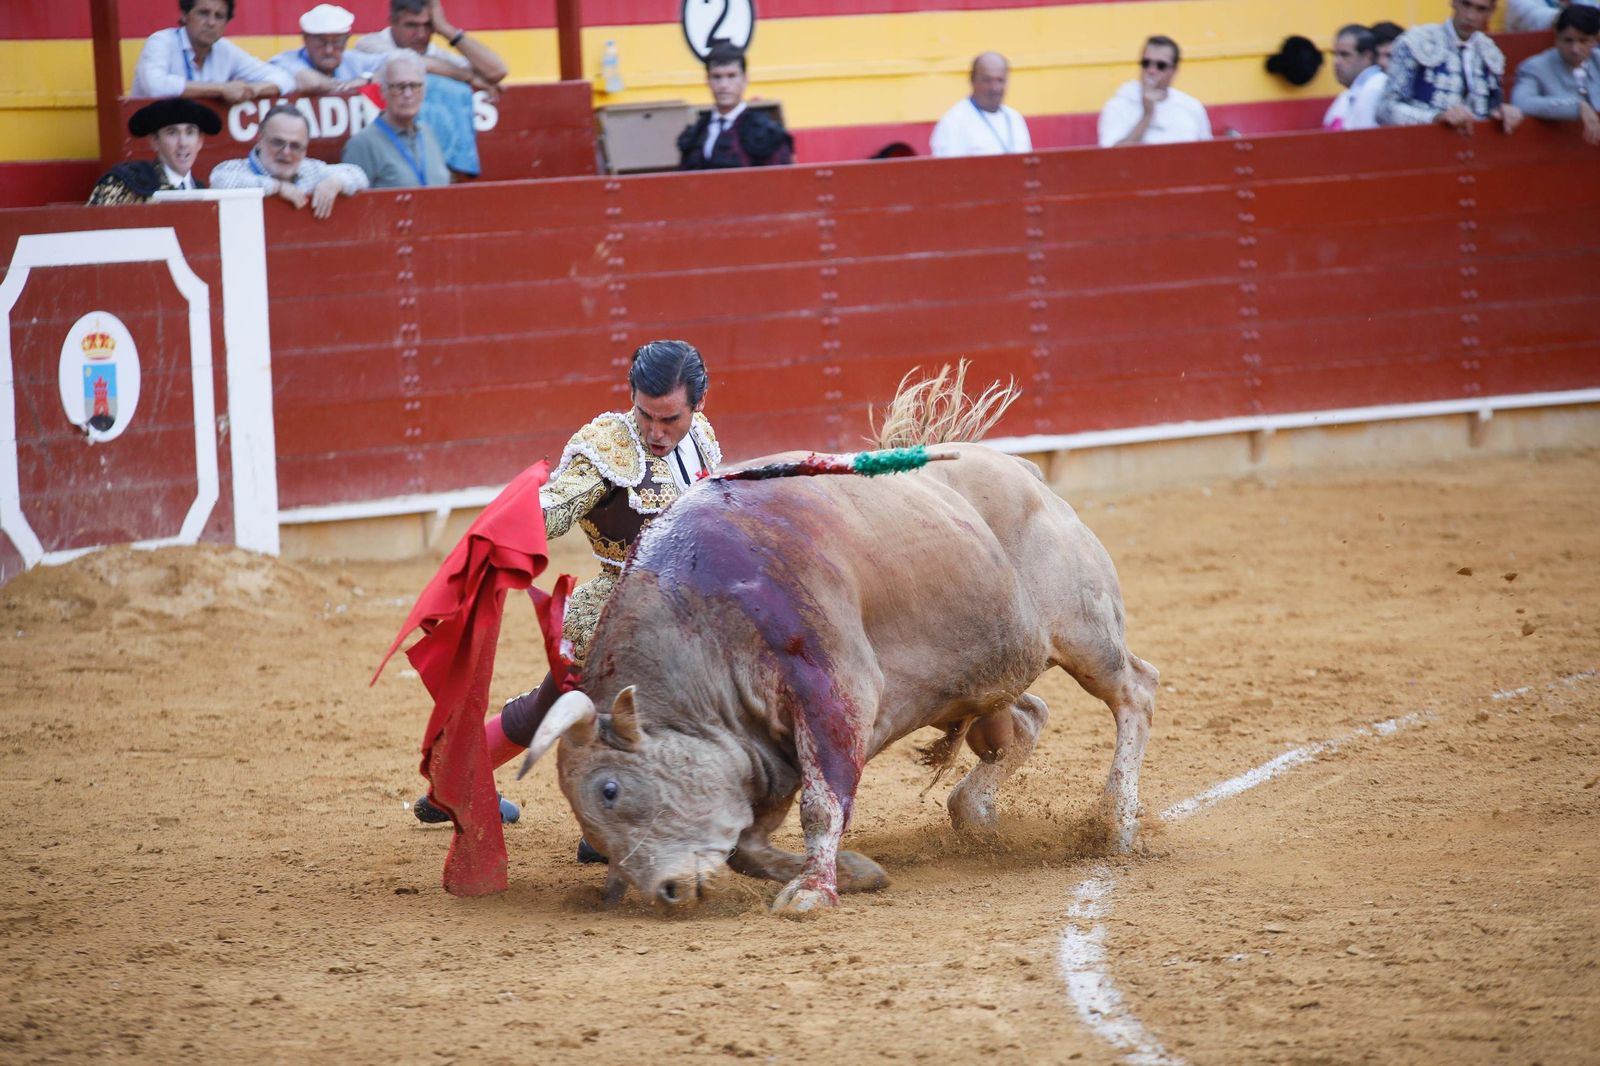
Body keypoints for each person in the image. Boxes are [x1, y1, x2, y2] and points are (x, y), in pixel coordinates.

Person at [411, 340, 722, 844]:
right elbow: (557, 505)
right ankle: (597, 829)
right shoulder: (607, 448)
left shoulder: (701, 437)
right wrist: (514, 528)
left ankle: (455, 781)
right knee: (587, 710)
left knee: (560, 708)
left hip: (683, 609)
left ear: (697, 407)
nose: (655, 432)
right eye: (645, 415)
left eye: (669, 419)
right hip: (615, 612)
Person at [353, 0, 509, 177]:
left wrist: (446, 29)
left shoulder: (436, 54)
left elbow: (497, 71)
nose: (421, 34)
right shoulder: (369, 44)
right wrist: (470, 77)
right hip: (382, 156)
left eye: (428, 26)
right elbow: (407, 61)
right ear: (392, 22)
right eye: (411, 25)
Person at [1378, 0, 1523, 136]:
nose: (1470, 16)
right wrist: (1434, 118)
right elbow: (1385, 109)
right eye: (1466, 4)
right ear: (1454, 2)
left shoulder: (1489, 52)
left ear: (1491, 11)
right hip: (1421, 149)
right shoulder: (1416, 41)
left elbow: (1489, 110)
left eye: (1481, 9)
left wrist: (1502, 112)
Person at [210, 105, 370, 218]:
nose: (286, 152)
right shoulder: (237, 169)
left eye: (295, 146)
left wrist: (336, 182)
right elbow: (218, 180)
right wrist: (277, 187)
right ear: (260, 139)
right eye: (278, 143)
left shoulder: (310, 169)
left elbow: (358, 174)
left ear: (305, 148)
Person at [132, 0, 295, 102]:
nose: (211, 22)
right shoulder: (162, 41)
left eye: (219, 16)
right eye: (203, 13)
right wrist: (221, 89)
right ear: (184, 15)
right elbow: (155, 86)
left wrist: (252, 90)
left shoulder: (226, 50)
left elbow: (285, 79)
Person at [676, 43, 795, 169]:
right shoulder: (696, 133)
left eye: (731, 76)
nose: (723, 85)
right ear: (707, 80)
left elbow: (782, 182)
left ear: (745, 79)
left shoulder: (767, 132)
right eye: (717, 77)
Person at [340, 51, 450, 188]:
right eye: (399, 87)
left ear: (424, 90)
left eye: (415, 86)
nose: (408, 94)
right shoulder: (362, 144)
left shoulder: (428, 133)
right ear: (382, 91)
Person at [88, 97, 220, 205]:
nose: (183, 143)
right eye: (172, 133)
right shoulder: (127, 184)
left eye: (190, 132)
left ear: (200, 141)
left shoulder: (203, 191)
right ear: (154, 141)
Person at [1098, 36, 1212, 147]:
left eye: (1161, 66)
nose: (1151, 70)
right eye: (1146, 63)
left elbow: (1207, 154)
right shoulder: (1117, 106)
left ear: (1174, 70)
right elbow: (1111, 159)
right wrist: (1147, 115)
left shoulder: (1191, 107)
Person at [1512, 4, 1600, 144]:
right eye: (1568, 40)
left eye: (1583, 41)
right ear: (1557, 38)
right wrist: (1576, 106)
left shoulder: (1598, 61)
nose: (1575, 49)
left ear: (1595, 40)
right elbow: (1521, 103)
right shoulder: (1535, 67)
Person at [928, 52, 1033, 157]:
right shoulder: (954, 122)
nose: (994, 88)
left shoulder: (1015, 118)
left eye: (1000, 80)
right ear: (972, 80)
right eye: (987, 80)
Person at [270, 3, 386, 95]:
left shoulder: (353, 60)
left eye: (337, 42)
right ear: (305, 39)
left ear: (347, 40)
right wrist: (347, 86)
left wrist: (366, 79)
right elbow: (313, 83)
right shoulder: (285, 60)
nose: (329, 50)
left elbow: (399, 64)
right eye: (321, 42)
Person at [1324, 24, 1388, 130]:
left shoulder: (1375, 88)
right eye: (1335, 54)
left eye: (1345, 55)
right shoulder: (1349, 93)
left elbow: (1364, 142)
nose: (1336, 62)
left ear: (1367, 56)